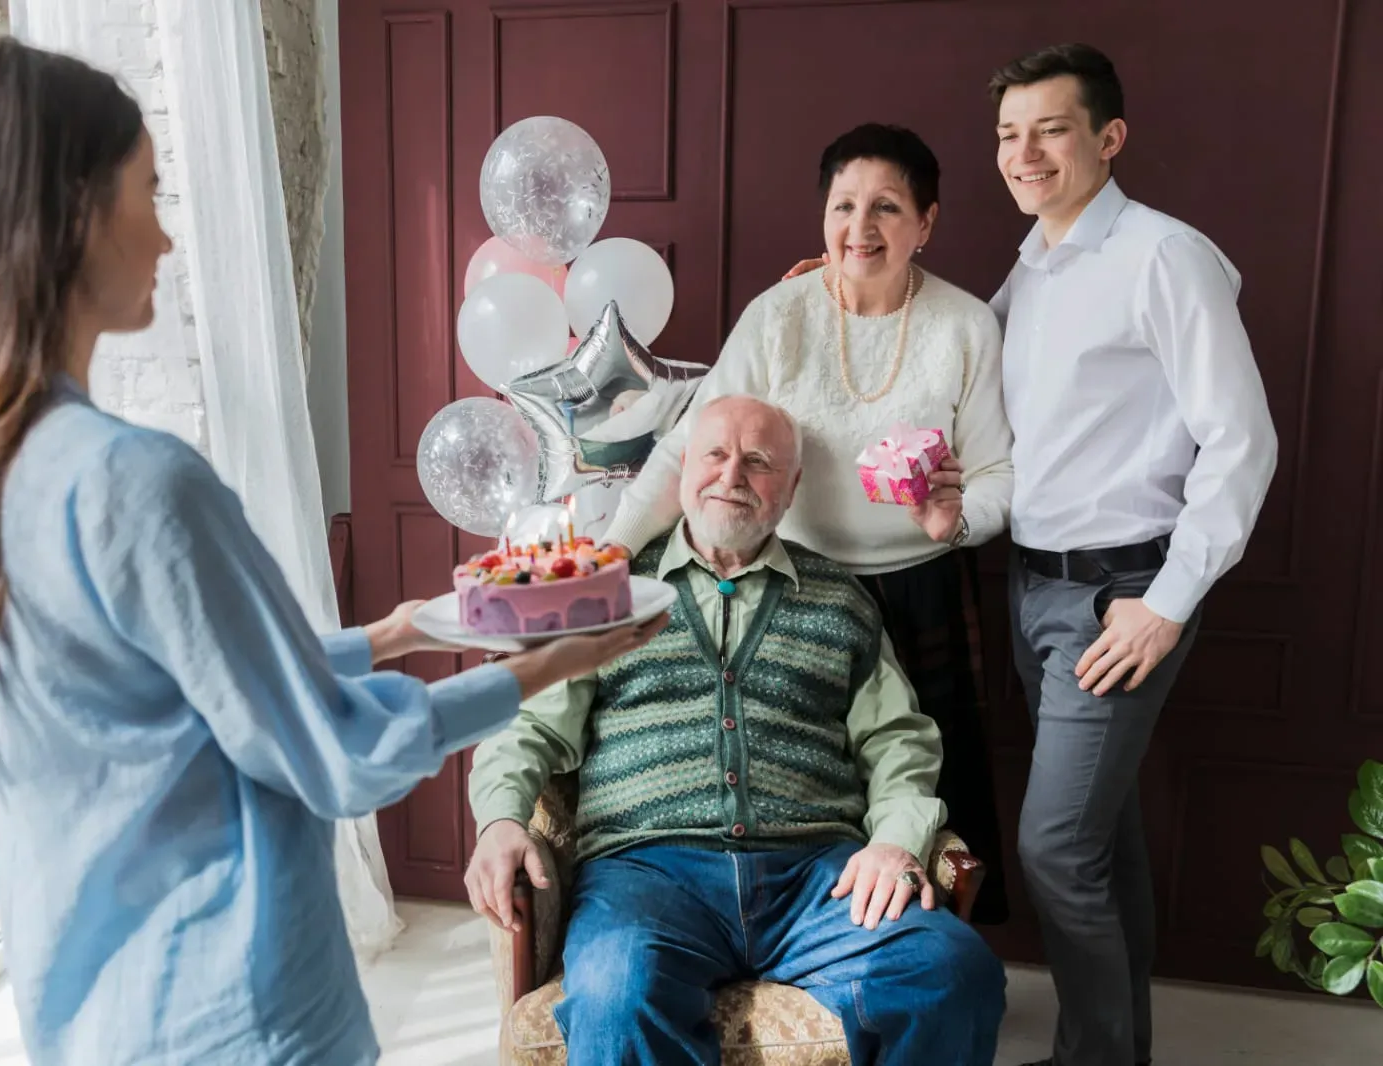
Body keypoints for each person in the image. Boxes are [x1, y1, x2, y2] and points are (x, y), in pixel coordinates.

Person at [0, 38, 665, 1066]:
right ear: (71, 212)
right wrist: (549, 663)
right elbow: (338, 750)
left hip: (94, 1011)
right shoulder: (135, 479)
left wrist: (383, 635)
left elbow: (175, 701)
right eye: (146, 195)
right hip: (236, 1011)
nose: (165, 241)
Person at [467, 395, 1006, 1066]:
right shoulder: (607, 594)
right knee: (615, 993)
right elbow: (528, 728)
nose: (732, 476)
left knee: (954, 972)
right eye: (715, 454)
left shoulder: (840, 599)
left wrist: (895, 841)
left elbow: (899, 741)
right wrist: (499, 821)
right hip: (647, 872)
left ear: (793, 486)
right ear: (684, 466)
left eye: (759, 461)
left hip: (817, 877)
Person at [605, 124, 1015, 922]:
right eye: (844, 206)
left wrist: (954, 522)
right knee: (795, 785)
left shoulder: (967, 325)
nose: (859, 229)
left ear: (925, 224)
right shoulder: (778, 313)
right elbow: (693, 443)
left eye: (887, 208)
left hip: (922, 587)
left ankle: (926, 948)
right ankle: (803, 932)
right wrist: (610, 553)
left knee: (930, 785)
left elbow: (1000, 474)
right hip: (789, 582)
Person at [987, 45, 1276, 1066]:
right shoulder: (1029, 264)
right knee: (1097, 839)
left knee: (1053, 844)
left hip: (1123, 593)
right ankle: (1118, 1051)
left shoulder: (1163, 255)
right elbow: (972, 390)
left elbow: (1242, 439)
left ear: (1107, 138)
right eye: (1008, 134)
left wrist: (1167, 599)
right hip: (1033, 586)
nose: (1023, 153)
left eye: (1049, 129)